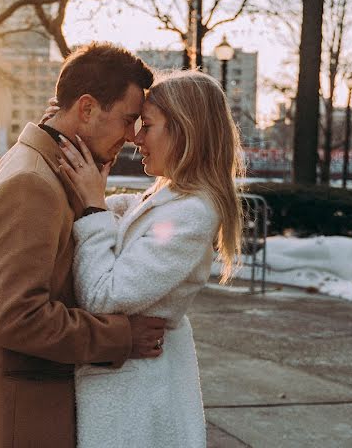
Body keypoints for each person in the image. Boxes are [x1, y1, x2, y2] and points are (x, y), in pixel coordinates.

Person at [0, 42, 167, 448]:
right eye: (127, 120)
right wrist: (121, 336)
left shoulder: (42, 167)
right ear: (86, 108)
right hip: (26, 422)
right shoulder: (32, 184)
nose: (131, 135)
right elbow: (16, 318)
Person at [52, 69, 244, 447]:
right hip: (131, 388)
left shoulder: (193, 214)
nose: (136, 138)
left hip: (135, 402)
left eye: (148, 126)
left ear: (184, 132)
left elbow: (103, 296)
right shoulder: (170, 197)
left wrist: (93, 208)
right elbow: (129, 215)